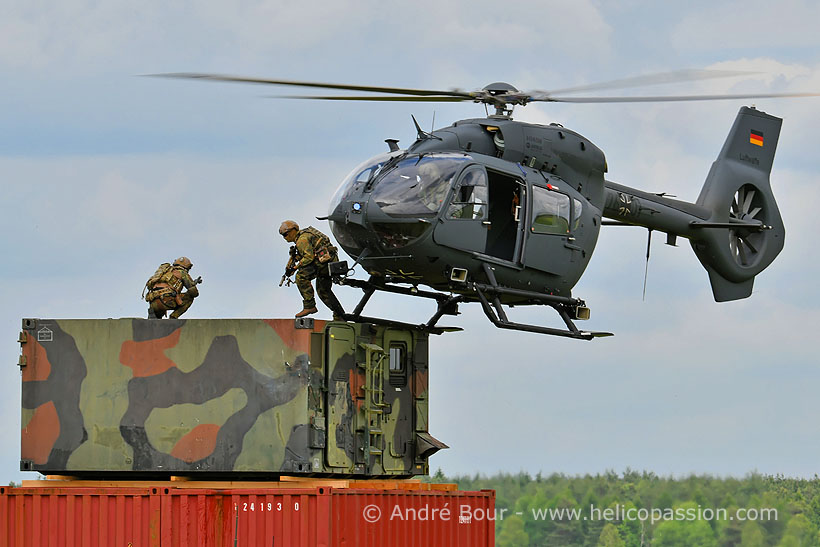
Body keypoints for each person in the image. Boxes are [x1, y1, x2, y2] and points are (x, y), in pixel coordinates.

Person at [279, 220, 345, 319]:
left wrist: (295, 268)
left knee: (301, 277)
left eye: (285, 234)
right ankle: (340, 315)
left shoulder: (302, 240)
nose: (285, 237)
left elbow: (308, 258)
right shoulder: (304, 236)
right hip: (329, 263)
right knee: (323, 291)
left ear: (293, 230)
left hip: (324, 264)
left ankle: (309, 306)